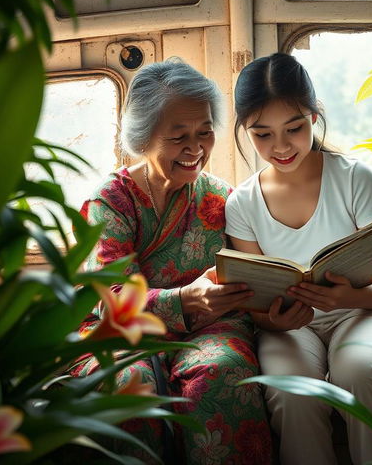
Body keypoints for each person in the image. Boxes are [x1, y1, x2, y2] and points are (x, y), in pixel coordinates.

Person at [73, 58, 273, 464]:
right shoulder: (109, 201)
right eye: (178, 136)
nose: (195, 149)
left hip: (209, 329)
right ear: (144, 138)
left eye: (205, 132)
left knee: (223, 372)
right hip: (121, 333)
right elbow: (110, 298)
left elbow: (247, 280)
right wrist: (181, 299)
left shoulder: (222, 196)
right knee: (129, 382)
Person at [225, 52, 372, 465]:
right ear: (244, 131)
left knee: (359, 369)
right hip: (290, 328)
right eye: (262, 134)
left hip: (363, 313)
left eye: (294, 127)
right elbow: (254, 303)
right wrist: (274, 320)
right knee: (290, 390)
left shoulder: (354, 177)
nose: (281, 146)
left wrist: (345, 300)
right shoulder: (242, 203)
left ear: (314, 116)